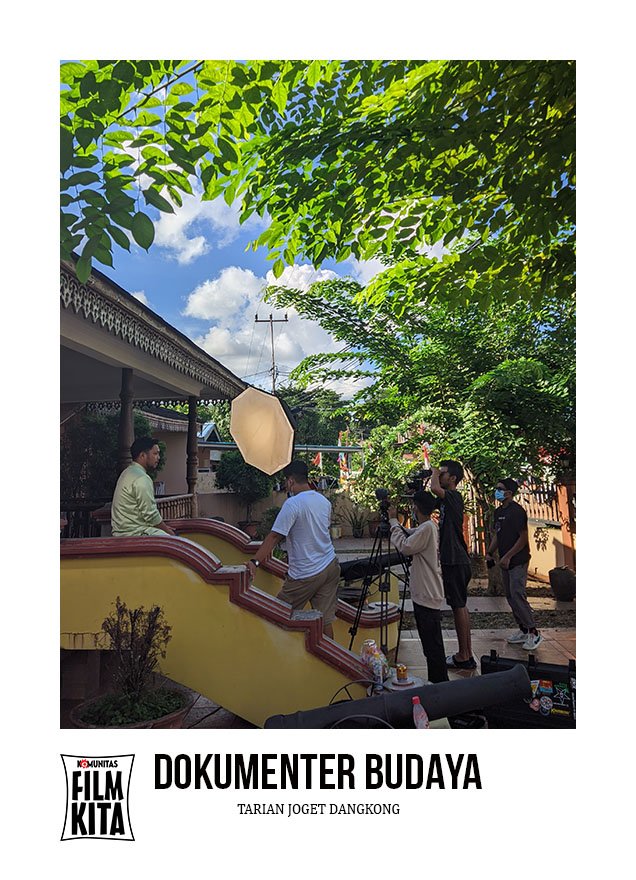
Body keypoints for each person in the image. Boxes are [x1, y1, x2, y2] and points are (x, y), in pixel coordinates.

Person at [247, 460, 340, 639]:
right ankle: (332, 656)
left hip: (305, 573)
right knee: (325, 621)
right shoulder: (323, 501)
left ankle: (275, 653)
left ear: (290, 481)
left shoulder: (293, 504)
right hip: (329, 565)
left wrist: (254, 562)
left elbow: (275, 536)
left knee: (277, 615)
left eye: (285, 482)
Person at [388, 491, 449, 683]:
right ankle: (437, 681)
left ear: (416, 508)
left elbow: (405, 546)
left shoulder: (427, 528)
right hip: (427, 592)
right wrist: (397, 525)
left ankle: (439, 683)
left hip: (427, 594)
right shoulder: (428, 526)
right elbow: (410, 533)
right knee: (431, 644)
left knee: (432, 646)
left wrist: (393, 522)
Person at [487, 477, 543, 651]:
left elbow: (523, 538)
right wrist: (490, 552)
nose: (497, 491)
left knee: (518, 594)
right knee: (510, 596)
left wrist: (509, 556)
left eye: (500, 489)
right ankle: (523, 629)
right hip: (505, 561)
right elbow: (498, 534)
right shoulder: (498, 512)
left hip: (518, 560)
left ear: (509, 493)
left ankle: (534, 632)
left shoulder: (517, 512)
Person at [430, 460, 475, 670]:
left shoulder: (454, 497)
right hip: (452, 559)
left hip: (456, 559)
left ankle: (464, 655)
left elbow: (434, 488)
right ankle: (465, 654)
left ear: (453, 478)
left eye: (443, 473)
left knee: (459, 606)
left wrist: (433, 472)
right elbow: (428, 500)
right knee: (458, 606)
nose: (440, 476)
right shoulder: (445, 501)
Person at [111, 437, 176, 537]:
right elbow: (151, 515)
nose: (158, 457)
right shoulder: (141, 478)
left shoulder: (127, 472)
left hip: (122, 533)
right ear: (142, 455)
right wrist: (169, 533)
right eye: (155, 453)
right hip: (135, 534)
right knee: (175, 541)